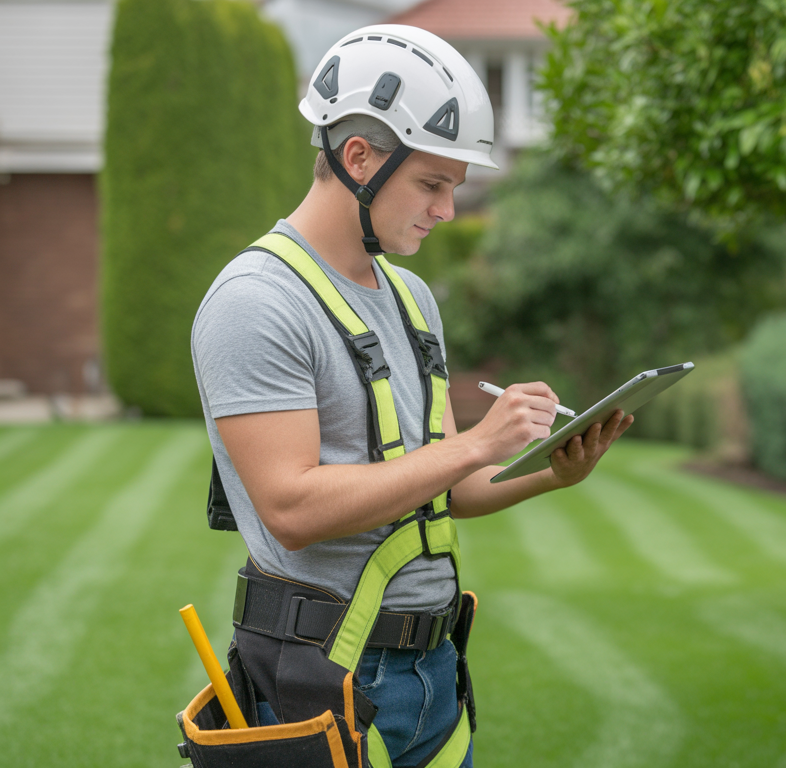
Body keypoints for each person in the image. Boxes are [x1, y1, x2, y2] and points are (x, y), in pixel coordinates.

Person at [189, 24, 632, 768]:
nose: (448, 210)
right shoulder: (257, 302)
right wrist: (476, 442)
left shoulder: (410, 295)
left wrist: (549, 471)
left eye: (455, 187)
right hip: (324, 674)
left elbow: (438, 490)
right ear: (358, 157)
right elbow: (291, 510)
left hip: (433, 669)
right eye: (432, 183)